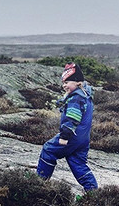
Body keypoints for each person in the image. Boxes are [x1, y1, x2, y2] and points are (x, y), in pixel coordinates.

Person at [36, 62, 98, 192]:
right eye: (63, 83)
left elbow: (72, 118)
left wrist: (64, 136)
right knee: (78, 163)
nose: (64, 85)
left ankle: (39, 183)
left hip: (72, 136)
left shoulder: (76, 98)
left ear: (77, 82)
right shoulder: (86, 95)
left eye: (67, 82)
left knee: (48, 150)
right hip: (83, 139)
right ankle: (93, 191)